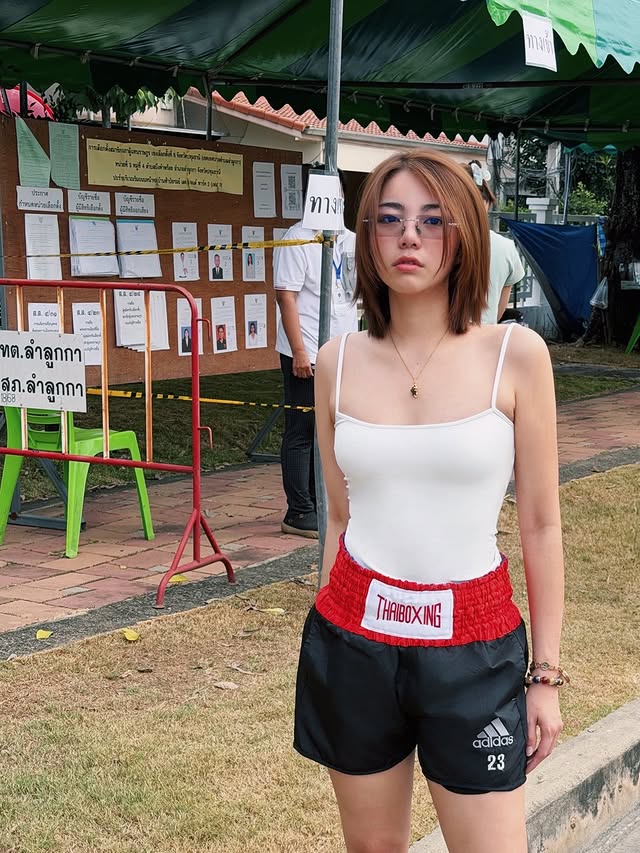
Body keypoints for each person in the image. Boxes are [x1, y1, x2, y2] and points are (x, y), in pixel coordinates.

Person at [294, 150, 565, 853]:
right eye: (389, 220)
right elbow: (340, 515)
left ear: (465, 232)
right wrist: (329, 624)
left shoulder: (515, 355)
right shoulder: (336, 362)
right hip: (355, 639)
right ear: (367, 237)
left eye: (431, 220)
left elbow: (540, 524)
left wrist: (545, 676)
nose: (408, 237)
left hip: (475, 646)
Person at [273, 165, 358, 538]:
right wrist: (299, 351)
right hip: (306, 347)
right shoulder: (298, 238)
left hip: (343, 348)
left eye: (337, 193)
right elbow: (286, 296)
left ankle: (323, 500)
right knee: (303, 427)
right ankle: (299, 510)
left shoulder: (349, 240)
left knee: (332, 427)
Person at [466, 161, 525, 324]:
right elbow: (499, 311)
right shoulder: (506, 247)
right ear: (487, 203)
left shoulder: (438, 244)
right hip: (486, 335)